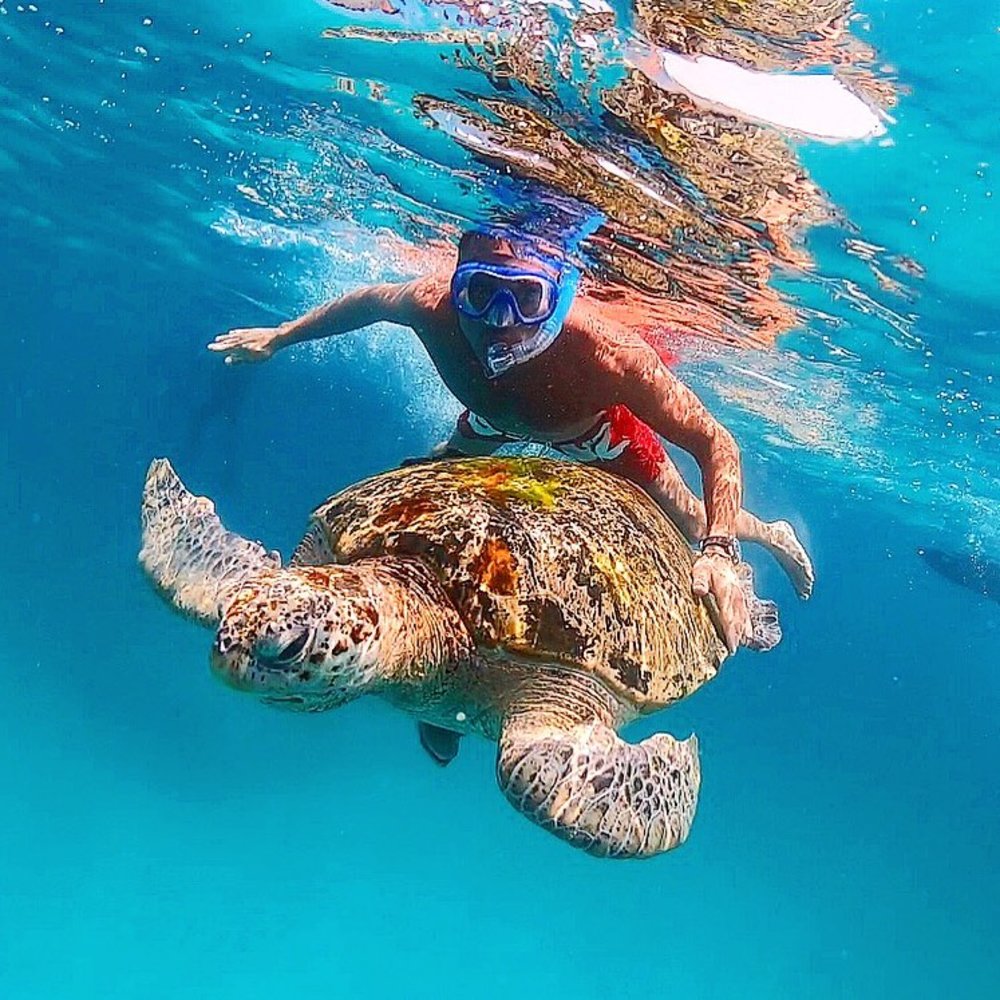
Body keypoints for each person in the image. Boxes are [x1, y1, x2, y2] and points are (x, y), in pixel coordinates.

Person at [209, 227, 814, 653]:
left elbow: (717, 444)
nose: (500, 322)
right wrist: (279, 336)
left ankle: (764, 533)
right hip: (491, 421)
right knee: (418, 483)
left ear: (562, 294)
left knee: (692, 519)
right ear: (458, 285)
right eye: (480, 295)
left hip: (595, 433)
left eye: (527, 298)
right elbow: (365, 303)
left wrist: (718, 554)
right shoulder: (430, 303)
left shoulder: (614, 357)